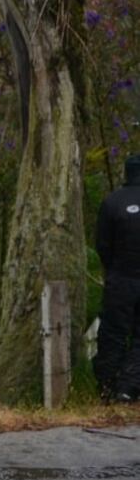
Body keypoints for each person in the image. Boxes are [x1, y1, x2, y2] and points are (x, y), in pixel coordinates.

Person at [94, 154, 140, 404]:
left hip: (120, 278)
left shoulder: (112, 202)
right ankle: (130, 387)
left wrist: (112, 270)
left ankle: (108, 386)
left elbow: (102, 244)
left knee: (113, 332)